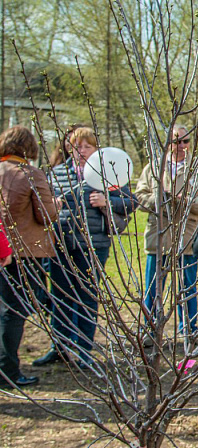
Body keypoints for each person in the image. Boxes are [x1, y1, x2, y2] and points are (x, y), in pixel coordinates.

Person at [33, 127, 136, 368]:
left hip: (94, 244)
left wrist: (107, 201)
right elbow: (41, 205)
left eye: (86, 146)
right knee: (60, 295)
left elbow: (131, 202)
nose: (81, 151)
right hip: (61, 243)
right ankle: (58, 347)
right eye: (76, 146)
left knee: (86, 296)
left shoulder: (108, 173)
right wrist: (51, 205)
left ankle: (84, 350)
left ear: (96, 149)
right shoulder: (57, 173)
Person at [136, 125, 198, 341]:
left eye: (185, 141)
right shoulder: (154, 167)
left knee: (187, 286)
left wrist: (188, 202)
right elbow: (140, 196)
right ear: (168, 143)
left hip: (187, 236)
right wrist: (161, 200)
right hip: (159, 236)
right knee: (153, 287)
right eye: (176, 141)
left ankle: (188, 329)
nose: (181, 146)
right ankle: (150, 331)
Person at [0, 126, 59, 388]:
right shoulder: (30, 174)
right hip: (23, 252)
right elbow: (45, 215)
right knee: (13, 312)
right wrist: (56, 205)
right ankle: (9, 372)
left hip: (5, 248)